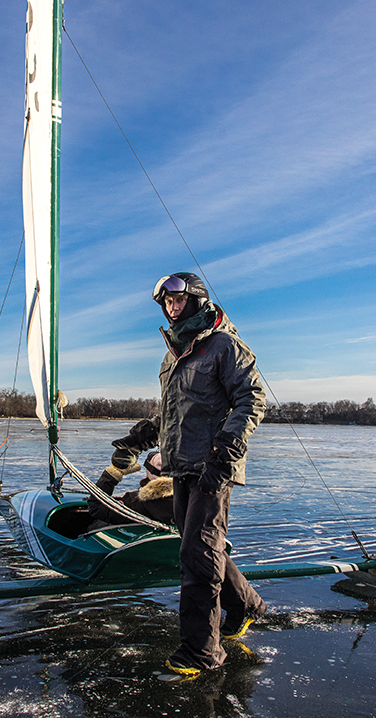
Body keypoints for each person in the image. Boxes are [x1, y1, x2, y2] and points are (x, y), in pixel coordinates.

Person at [110, 272, 267, 676]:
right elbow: (170, 414)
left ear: (196, 298)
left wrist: (225, 454)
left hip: (213, 466)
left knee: (197, 552)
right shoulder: (173, 356)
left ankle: (201, 651)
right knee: (200, 545)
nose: (170, 306)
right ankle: (246, 605)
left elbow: (252, 398)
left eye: (177, 300)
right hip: (180, 465)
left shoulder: (223, 345)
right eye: (165, 302)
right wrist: (144, 433)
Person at [86, 450, 174, 531]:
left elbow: (96, 507)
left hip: (136, 543)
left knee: (99, 524)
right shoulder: (185, 500)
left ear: (150, 472)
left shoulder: (136, 502)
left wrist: (112, 474)